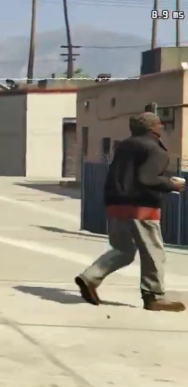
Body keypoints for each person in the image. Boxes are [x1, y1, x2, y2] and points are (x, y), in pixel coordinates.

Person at [76, 112, 186, 312]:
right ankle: (154, 297)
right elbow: (147, 178)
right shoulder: (155, 149)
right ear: (152, 128)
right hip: (141, 207)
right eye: (159, 124)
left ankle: (90, 277)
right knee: (153, 252)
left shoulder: (125, 145)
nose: (161, 127)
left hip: (115, 204)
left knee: (123, 250)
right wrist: (172, 185)